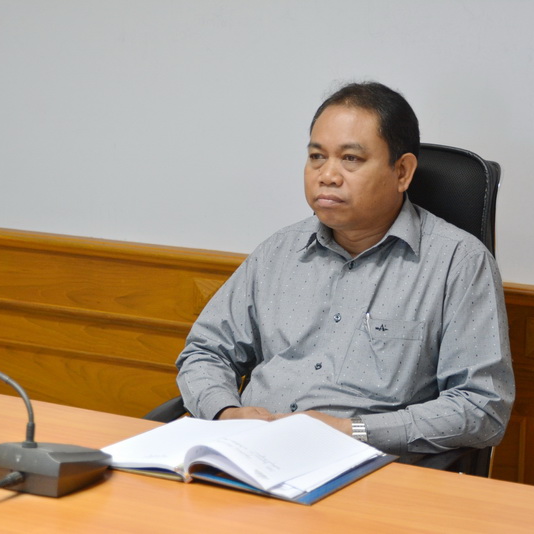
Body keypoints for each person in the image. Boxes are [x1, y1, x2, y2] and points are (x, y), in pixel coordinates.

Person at [176, 81, 514, 464]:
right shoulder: (279, 251)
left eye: (350, 159)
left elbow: (482, 407)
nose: (327, 175)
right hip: (251, 456)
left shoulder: (458, 262)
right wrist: (225, 413)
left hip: (369, 470)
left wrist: (351, 430)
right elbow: (205, 351)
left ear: (402, 172)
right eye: (317, 157)